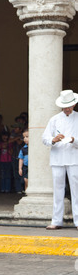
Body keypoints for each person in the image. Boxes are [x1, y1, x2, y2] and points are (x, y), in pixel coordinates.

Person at [42, 89, 78, 230]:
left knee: (76, 190)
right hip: (57, 158)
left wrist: (74, 140)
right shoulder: (54, 119)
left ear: (74, 105)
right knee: (58, 190)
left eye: (69, 106)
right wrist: (54, 139)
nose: (67, 109)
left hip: (74, 158)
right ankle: (56, 221)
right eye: (65, 106)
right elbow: (44, 138)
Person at [9, 122, 24, 193]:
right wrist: (17, 138)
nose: (14, 129)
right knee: (16, 173)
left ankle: (24, 188)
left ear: (20, 129)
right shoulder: (14, 134)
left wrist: (16, 138)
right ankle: (18, 189)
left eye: (16, 128)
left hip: (22, 157)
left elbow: (20, 143)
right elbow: (10, 141)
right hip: (14, 155)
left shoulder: (24, 135)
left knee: (23, 173)